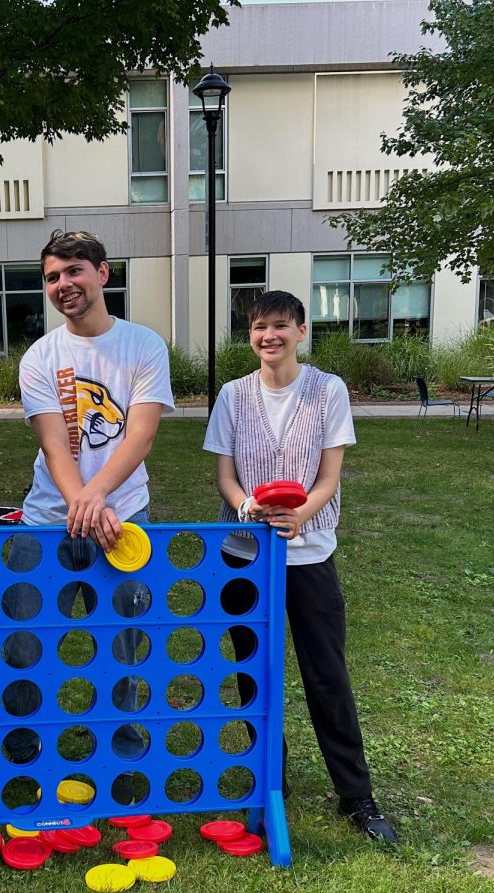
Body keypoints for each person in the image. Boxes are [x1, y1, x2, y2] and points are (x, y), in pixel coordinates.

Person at [202, 290, 398, 843]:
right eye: (260, 327)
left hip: (309, 553)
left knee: (326, 675)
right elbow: (224, 476)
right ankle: (271, 787)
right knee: (253, 675)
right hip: (243, 554)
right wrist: (248, 508)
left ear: (301, 332)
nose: (270, 336)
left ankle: (356, 796)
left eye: (281, 326)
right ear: (250, 336)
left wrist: (297, 517)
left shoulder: (327, 390)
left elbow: (330, 478)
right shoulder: (233, 395)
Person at [2, 229, 174, 788]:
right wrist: (81, 502)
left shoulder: (144, 346)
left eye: (73, 270)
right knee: (26, 638)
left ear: (103, 273)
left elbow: (140, 437)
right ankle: (24, 743)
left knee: (122, 639)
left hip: (124, 521)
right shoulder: (40, 357)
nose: (63, 284)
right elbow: (54, 443)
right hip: (46, 524)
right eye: (52, 276)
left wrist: (97, 499)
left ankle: (121, 741)